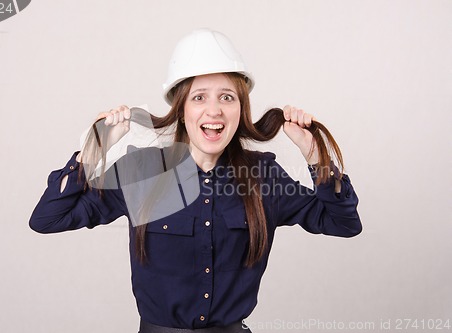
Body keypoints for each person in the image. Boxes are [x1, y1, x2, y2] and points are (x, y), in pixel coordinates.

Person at [29, 29, 362, 333]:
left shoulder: (264, 177)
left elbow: (344, 222)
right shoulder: (142, 172)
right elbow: (48, 217)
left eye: (227, 97)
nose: (213, 110)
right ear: (181, 108)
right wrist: (93, 150)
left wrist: (315, 154)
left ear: (240, 109)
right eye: (199, 97)